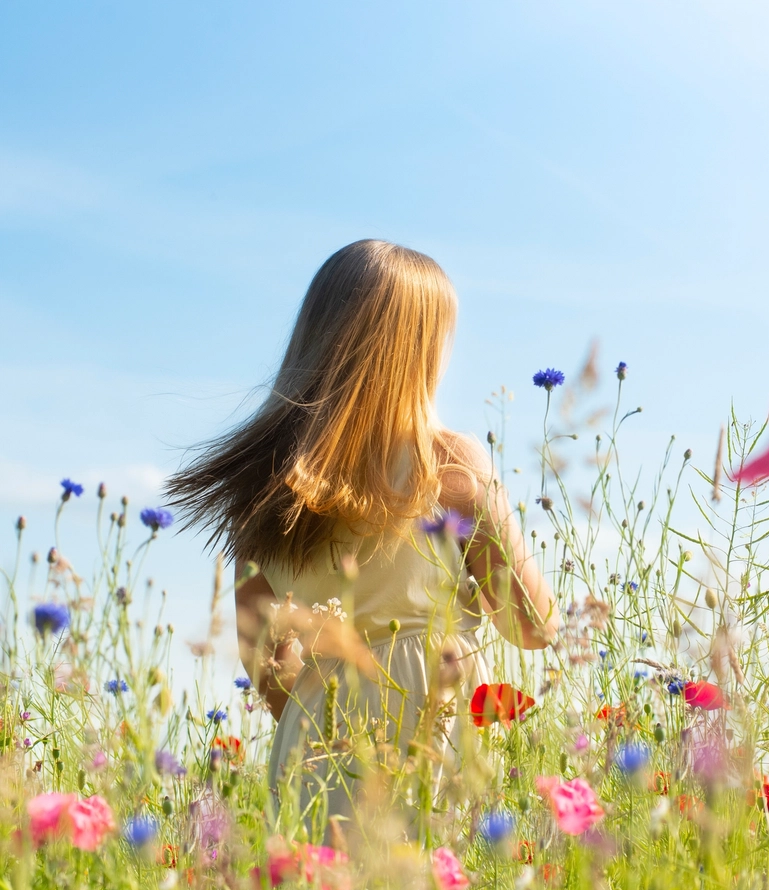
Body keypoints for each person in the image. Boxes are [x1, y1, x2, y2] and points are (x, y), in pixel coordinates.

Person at [165, 240, 559, 841]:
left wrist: (322, 724)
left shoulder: (265, 480)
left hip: (317, 743)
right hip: (433, 724)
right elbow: (535, 626)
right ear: (419, 352)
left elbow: (262, 656)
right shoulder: (449, 464)